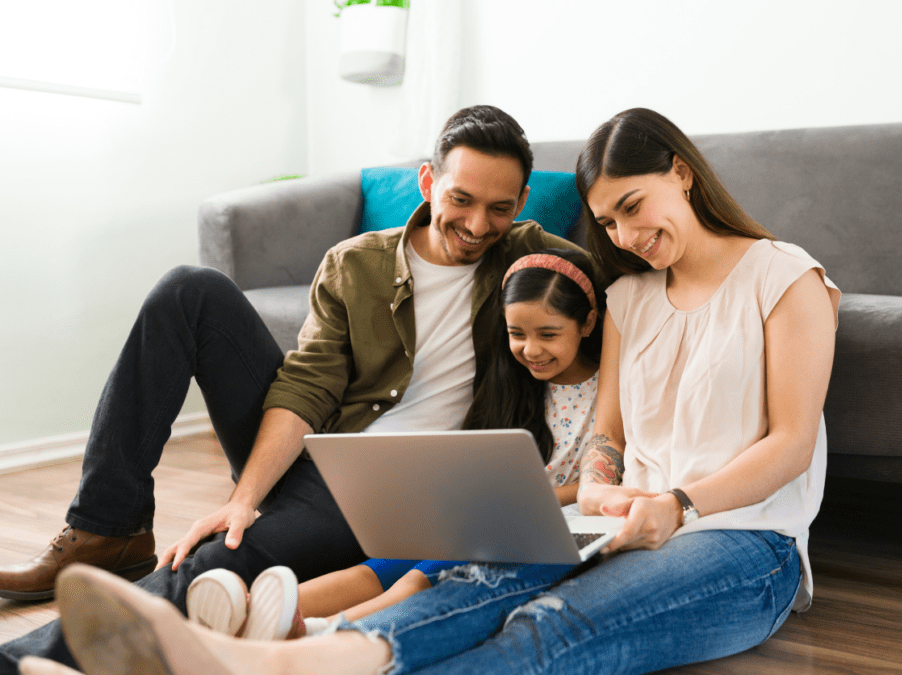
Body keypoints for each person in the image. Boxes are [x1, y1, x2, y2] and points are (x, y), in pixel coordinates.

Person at [21, 107, 842, 675]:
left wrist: (671, 502)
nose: (625, 236)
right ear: (427, 182)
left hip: (734, 535)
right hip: (551, 503)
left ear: (680, 171)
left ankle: (246, 657)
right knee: (466, 575)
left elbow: (788, 443)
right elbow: (612, 437)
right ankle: (206, 615)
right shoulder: (620, 295)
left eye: (632, 208)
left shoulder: (769, 276)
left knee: (533, 616)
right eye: (610, 222)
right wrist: (598, 484)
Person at [0, 105, 579, 674]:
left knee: (212, 561)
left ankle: (21, 660)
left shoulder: (538, 261)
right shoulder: (356, 264)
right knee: (190, 291)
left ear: (522, 202)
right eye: (461, 199)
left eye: (499, 208)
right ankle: (107, 530)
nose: (478, 226)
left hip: (398, 498)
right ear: (428, 182)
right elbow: (307, 385)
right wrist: (243, 500)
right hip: (323, 450)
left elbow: (626, 281)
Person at [183, 249, 604, 640]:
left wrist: (528, 500)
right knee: (378, 568)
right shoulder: (513, 384)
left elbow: (601, 483)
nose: (531, 350)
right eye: (517, 334)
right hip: (489, 516)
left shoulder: (607, 393)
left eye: (548, 334)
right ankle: (248, 611)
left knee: (419, 578)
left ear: (586, 324)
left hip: (558, 527)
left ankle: (317, 631)